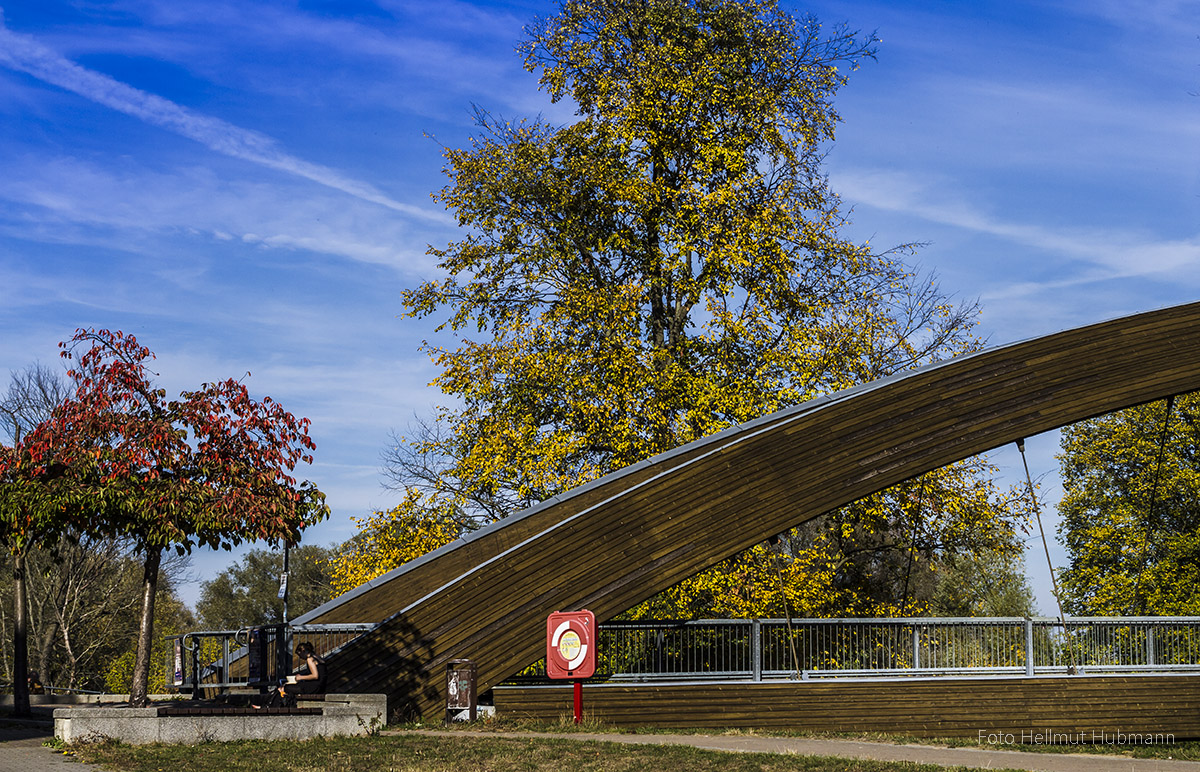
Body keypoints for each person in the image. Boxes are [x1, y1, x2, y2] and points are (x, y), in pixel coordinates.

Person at [252, 641, 325, 708]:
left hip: (313, 687)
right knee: (283, 689)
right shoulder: (317, 656)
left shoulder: (310, 659)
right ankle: (266, 705)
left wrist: (300, 677)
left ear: (303, 651)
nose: (301, 658)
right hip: (319, 686)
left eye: (300, 655)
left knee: (284, 688)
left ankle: (265, 706)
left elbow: (315, 676)